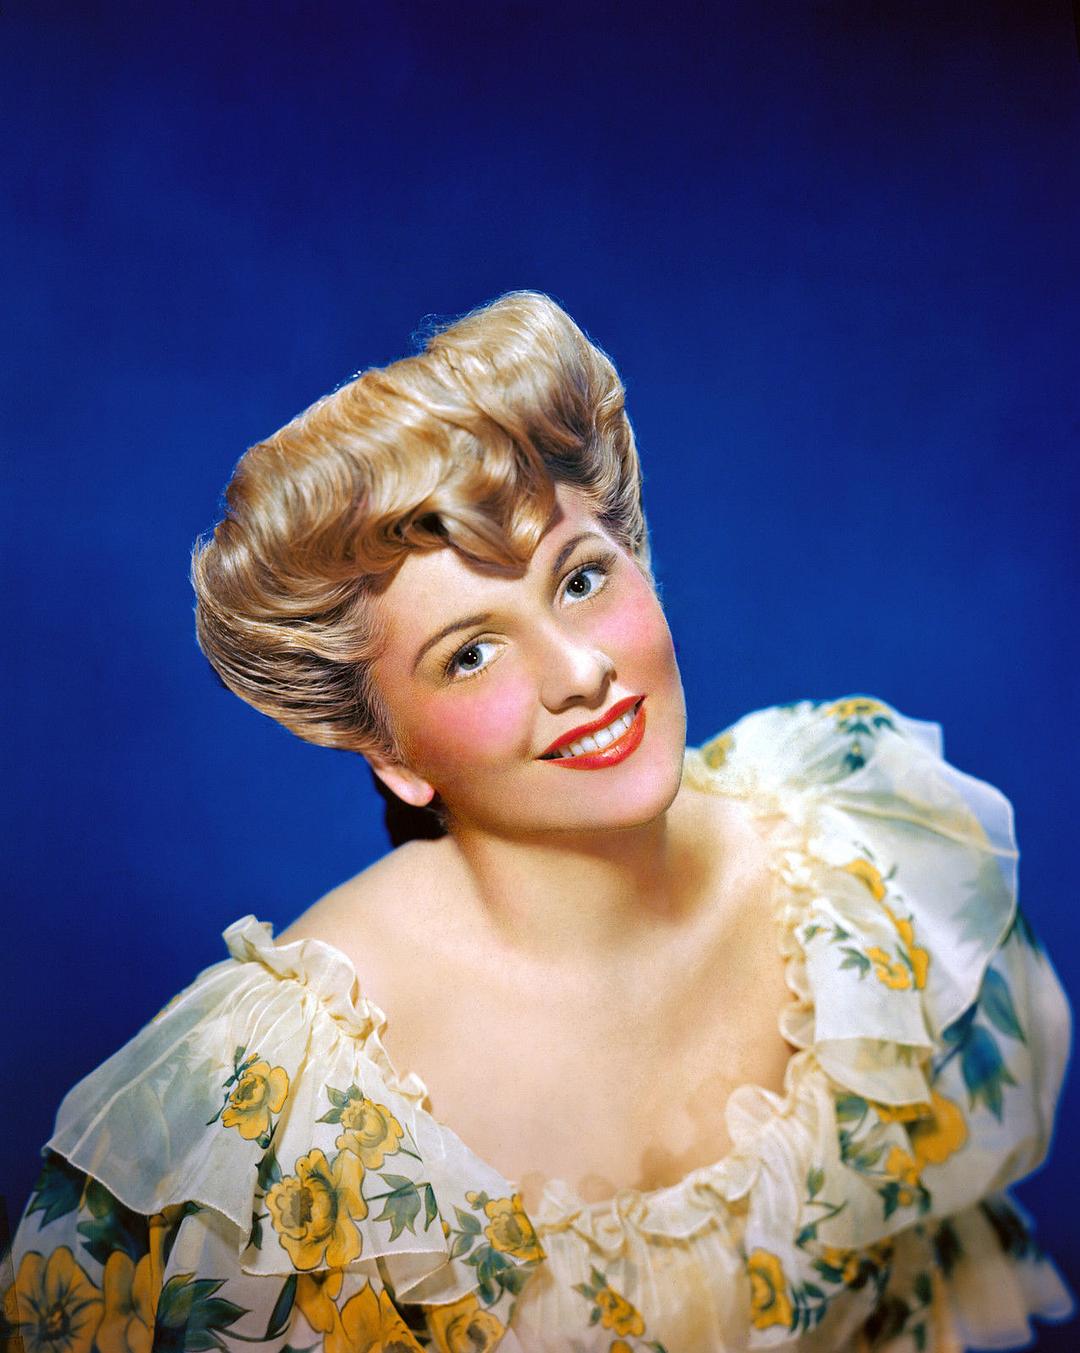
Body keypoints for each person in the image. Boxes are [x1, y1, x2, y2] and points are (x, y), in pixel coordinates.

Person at [2, 293, 1073, 1353]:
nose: (580, 671)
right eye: (470, 653)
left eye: (581, 578)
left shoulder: (860, 872)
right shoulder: (275, 1096)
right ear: (392, 756)